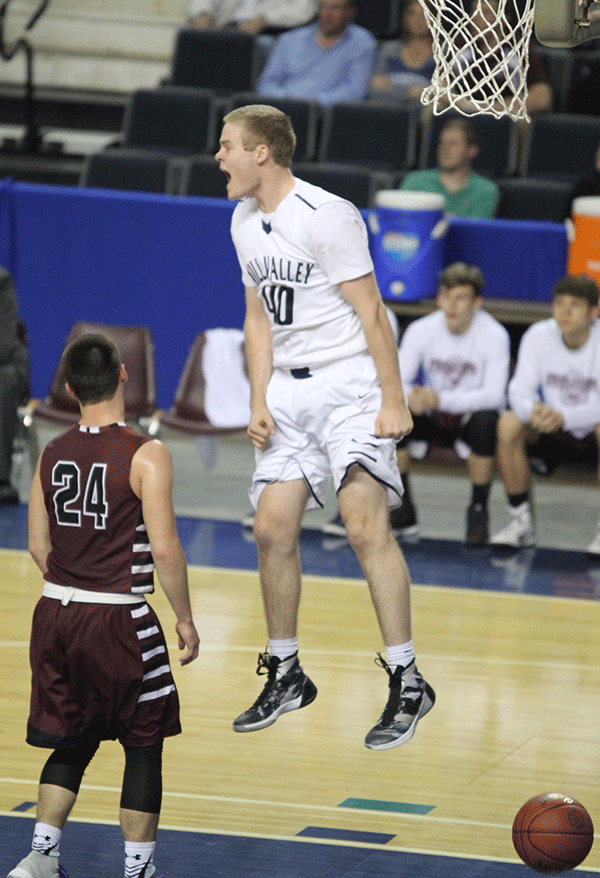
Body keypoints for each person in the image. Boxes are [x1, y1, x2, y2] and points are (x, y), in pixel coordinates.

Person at [215, 103, 435, 750]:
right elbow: (258, 319)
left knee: (364, 525)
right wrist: (259, 398)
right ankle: (285, 671)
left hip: (352, 384)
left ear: (263, 153)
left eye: (228, 146)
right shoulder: (242, 219)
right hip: (289, 388)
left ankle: (407, 677)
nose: (219, 157)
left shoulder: (328, 215)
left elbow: (373, 313)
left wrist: (392, 401)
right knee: (271, 526)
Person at [9, 334, 200, 878]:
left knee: (73, 736)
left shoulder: (51, 451)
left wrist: (72, 586)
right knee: (144, 744)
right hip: (117, 618)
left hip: (53, 613)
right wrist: (183, 617)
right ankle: (138, 871)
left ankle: (40, 859)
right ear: (122, 375)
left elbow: (37, 545)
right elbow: (164, 549)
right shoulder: (147, 453)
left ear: (69, 388)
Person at [392, 263, 510, 545]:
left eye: (461, 298)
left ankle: (478, 509)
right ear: (439, 298)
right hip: (432, 416)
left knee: (487, 420)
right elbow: (396, 380)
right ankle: (402, 506)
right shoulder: (421, 329)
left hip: (469, 420)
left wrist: (442, 399)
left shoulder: (495, 335)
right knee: (394, 410)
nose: (452, 305)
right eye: (446, 296)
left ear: (477, 303)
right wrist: (414, 397)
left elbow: (495, 395)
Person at [490, 275, 600, 554]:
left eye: (575, 305)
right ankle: (520, 521)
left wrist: (565, 416)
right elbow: (518, 391)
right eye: (559, 303)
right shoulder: (539, 334)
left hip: (589, 432)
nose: (565, 311)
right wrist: (533, 411)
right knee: (509, 422)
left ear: (594, 311)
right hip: (550, 431)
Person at [255, 0, 377, 107]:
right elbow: (266, 83)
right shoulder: (289, 39)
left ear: (350, 12)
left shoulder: (363, 42)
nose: (327, 14)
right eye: (323, 7)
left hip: (328, 117)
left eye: (335, 8)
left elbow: (355, 91)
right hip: (284, 109)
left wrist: (313, 104)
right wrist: (286, 100)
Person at [452, 0, 552, 115]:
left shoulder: (520, 50)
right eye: (474, 11)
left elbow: (542, 98)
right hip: (463, 115)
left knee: (522, 118)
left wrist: (487, 108)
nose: (475, 18)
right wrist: (462, 104)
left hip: (504, 116)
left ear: (503, 19)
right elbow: (440, 86)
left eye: (485, 12)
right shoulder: (460, 46)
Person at [400, 118, 499, 219]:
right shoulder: (415, 182)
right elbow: (400, 223)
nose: (445, 148)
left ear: (471, 150)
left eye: (453, 143)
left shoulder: (485, 190)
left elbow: (477, 231)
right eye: (442, 143)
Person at [0, 266, 29, 504]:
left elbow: (4, 343)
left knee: (4, 380)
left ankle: (1, 479)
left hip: (4, 363)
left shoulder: (2, 281)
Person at [369, 0, 435, 104]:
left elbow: (442, 93)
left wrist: (393, 88)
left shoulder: (443, 54)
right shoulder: (389, 49)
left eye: (425, 14)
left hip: (424, 112)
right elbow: (375, 87)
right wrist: (410, 93)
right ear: (404, 17)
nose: (419, 20)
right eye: (412, 13)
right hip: (388, 108)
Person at [187, 0, 317, 36]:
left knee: (262, 45)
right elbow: (202, 2)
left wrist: (265, 19)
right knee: (188, 35)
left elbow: (302, 10)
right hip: (224, 27)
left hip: (267, 31)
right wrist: (202, 13)